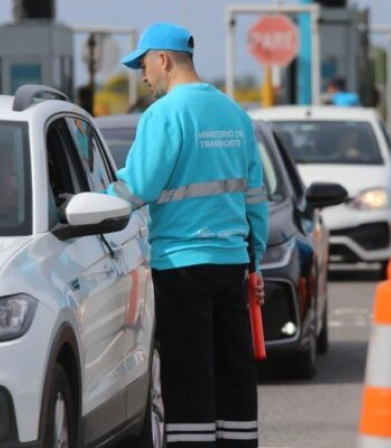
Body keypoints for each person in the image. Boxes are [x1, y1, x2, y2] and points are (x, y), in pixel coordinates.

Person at [106, 22, 269, 447]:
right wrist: (256, 263)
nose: (143, 76)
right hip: (231, 263)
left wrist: (95, 200)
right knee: (233, 370)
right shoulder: (235, 113)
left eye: (143, 65)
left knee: (189, 373)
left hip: (181, 264)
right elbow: (256, 198)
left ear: (163, 60)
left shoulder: (163, 115)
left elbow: (138, 186)